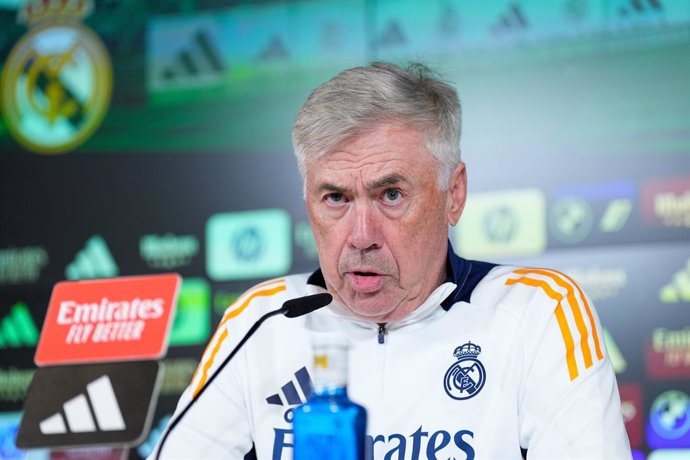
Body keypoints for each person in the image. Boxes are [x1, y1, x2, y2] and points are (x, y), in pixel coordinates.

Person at [151, 62, 631, 459]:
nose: (361, 236)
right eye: (335, 198)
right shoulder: (261, 320)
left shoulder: (536, 312)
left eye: (392, 194)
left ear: (454, 194)